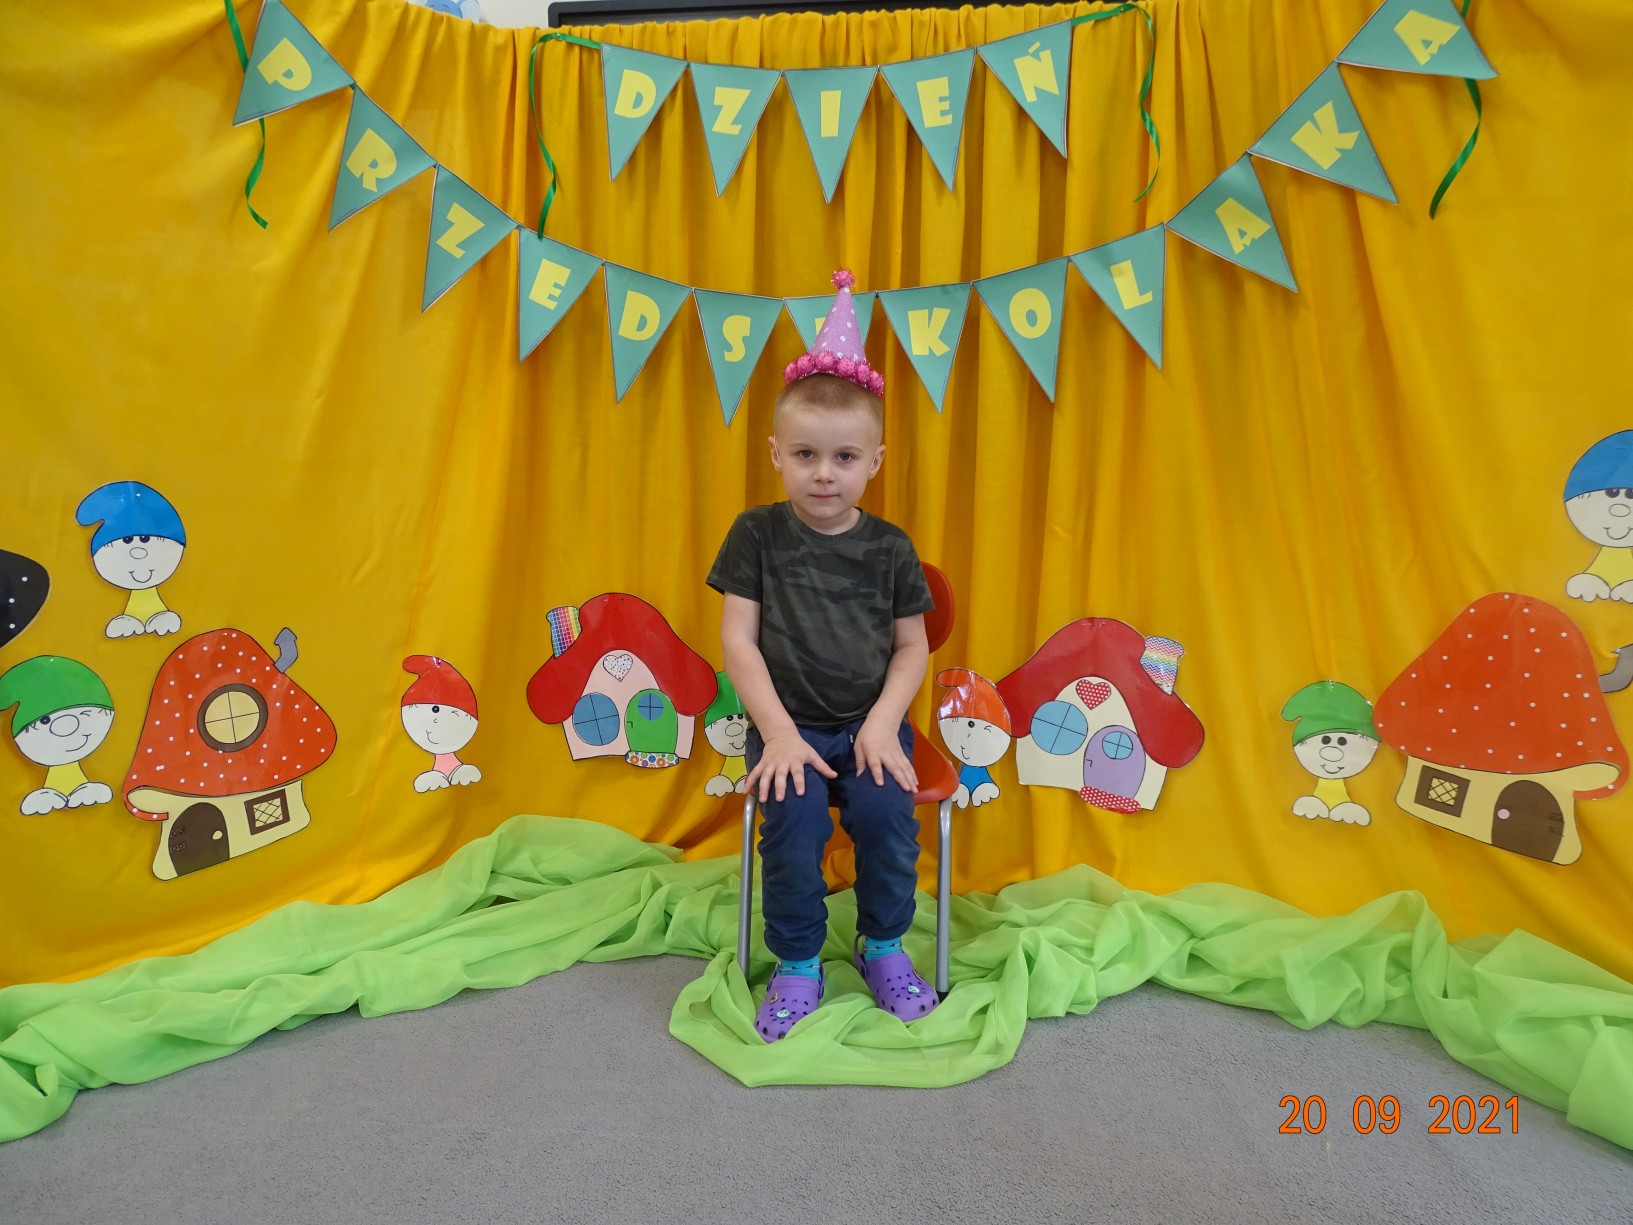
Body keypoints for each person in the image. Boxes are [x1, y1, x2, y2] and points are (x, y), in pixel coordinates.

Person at [707, 270, 940, 1042]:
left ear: (874, 460)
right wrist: (777, 733)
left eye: (843, 457)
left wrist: (881, 724)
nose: (822, 473)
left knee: (884, 814)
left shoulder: (891, 548)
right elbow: (737, 639)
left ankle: (883, 946)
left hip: (869, 722)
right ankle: (798, 959)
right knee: (795, 819)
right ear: (776, 453)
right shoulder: (755, 534)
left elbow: (911, 646)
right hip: (790, 725)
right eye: (805, 453)